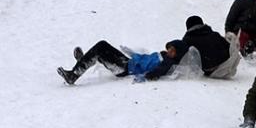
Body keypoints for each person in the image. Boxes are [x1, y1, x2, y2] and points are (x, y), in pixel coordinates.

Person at [57, 39, 187, 85]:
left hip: (125, 69)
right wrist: (132, 53)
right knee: (101, 48)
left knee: (101, 48)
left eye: (173, 51)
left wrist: (147, 76)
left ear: (177, 55)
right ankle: (85, 61)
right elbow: (144, 59)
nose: (170, 51)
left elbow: (158, 71)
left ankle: (73, 76)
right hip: (128, 62)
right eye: (170, 48)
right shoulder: (162, 55)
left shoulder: (167, 62)